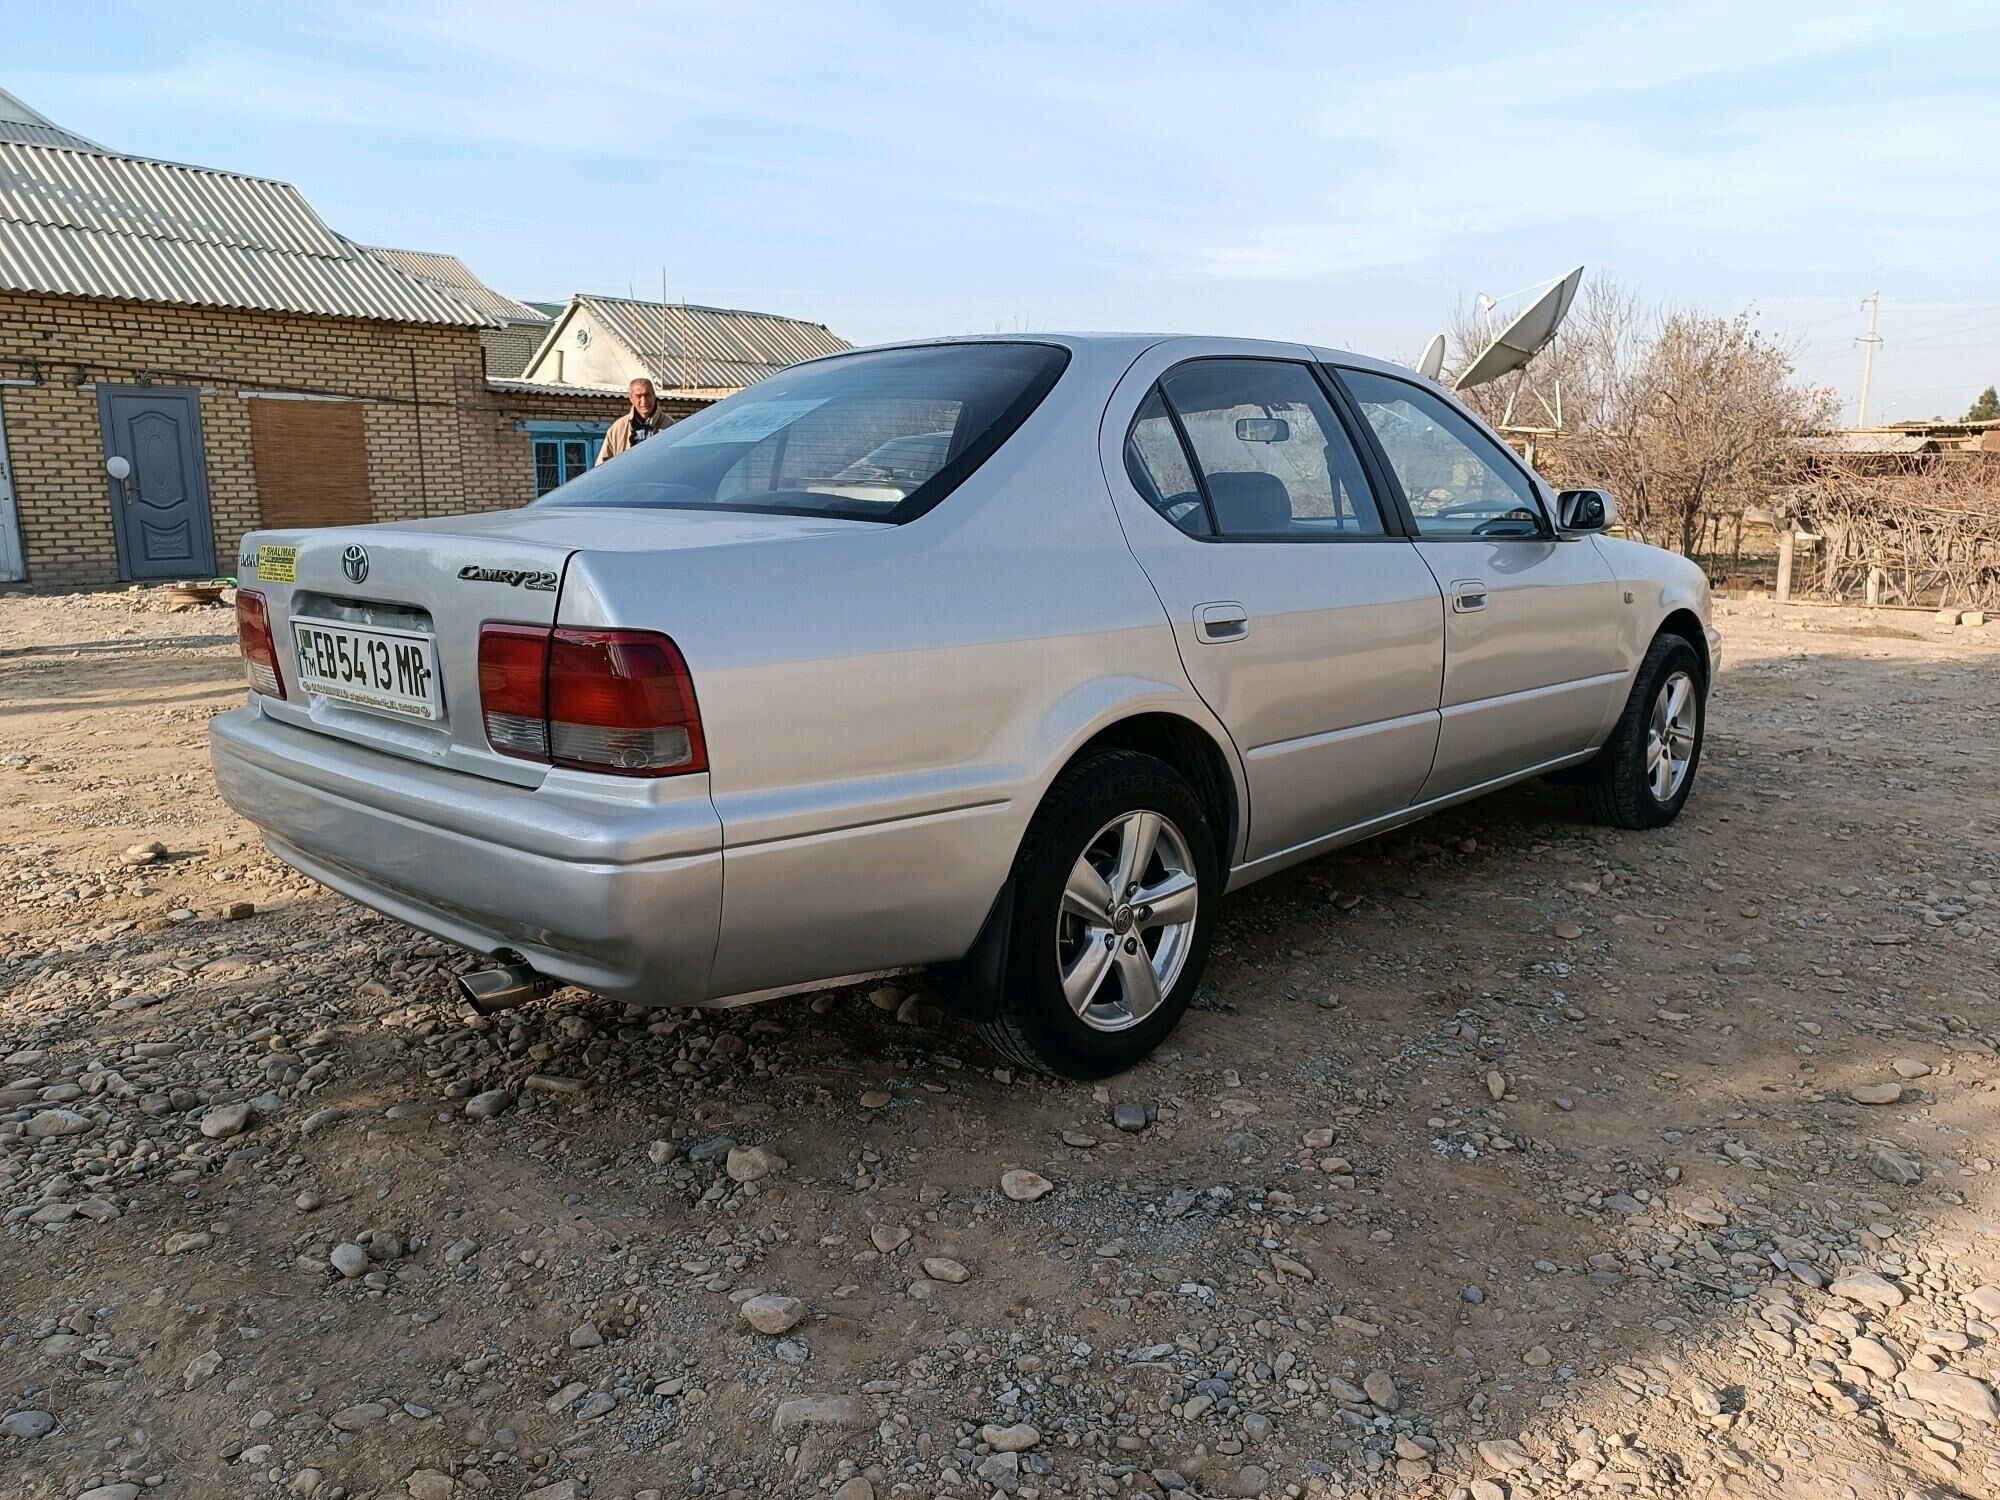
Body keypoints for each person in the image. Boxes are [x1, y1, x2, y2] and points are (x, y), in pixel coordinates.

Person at [595, 378, 673, 464]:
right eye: (638, 396)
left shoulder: (670, 426)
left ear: (654, 396)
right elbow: (601, 466)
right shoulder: (618, 429)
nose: (644, 401)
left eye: (647, 395)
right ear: (631, 398)